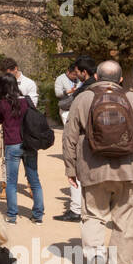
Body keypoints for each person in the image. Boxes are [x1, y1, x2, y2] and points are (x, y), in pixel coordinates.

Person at [63, 60, 133, 264]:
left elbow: (69, 135)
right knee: (125, 221)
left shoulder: (83, 98)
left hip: (93, 169)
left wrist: (70, 167)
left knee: (93, 217)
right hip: (131, 171)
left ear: (96, 77)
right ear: (120, 80)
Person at [0, 73, 44, 225]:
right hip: (29, 143)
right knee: (34, 179)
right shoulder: (26, 101)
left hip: (12, 144)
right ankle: (38, 215)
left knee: (11, 182)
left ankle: (12, 216)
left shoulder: (2, 103)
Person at [53, 56, 97, 222]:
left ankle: (76, 209)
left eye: (77, 71)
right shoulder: (107, 87)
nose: (76, 74)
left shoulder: (83, 89)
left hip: (83, 137)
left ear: (84, 72)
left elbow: (64, 104)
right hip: (103, 137)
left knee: (77, 174)